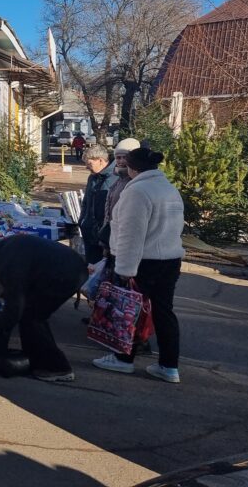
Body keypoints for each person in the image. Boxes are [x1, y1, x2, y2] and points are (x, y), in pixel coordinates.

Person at [93, 148, 185, 383]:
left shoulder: (138, 191)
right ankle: (169, 365)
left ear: (133, 167)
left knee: (128, 310)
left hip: (143, 261)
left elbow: (131, 234)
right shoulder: (169, 188)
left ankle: (123, 359)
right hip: (170, 260)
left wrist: (124, 270)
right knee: (164, 313)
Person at [0, 234, 87, 382]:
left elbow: (16, 303)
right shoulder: (3, 249)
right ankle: (38, 361)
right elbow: (12, 293)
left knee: (32, 317)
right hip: (69, 266)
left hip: (66, 275)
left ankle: (56, 367)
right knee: (31, 313)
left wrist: (0, 326)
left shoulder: (6, 265)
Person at [98, 138, 141, 255]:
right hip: (112, 240)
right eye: (118, 157)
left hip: (125, 243)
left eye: (125, 157)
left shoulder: (135, 182)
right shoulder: (118, 179)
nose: (121, 161)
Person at [78, 144, 117, 266]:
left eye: (89, 164)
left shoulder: (115, 178)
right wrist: (82, 221)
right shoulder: (92, 177)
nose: (86, 167)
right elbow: (86, 201)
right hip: (89, 232)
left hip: (105, 236)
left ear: (100, 160)